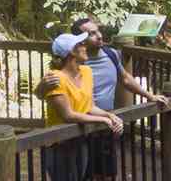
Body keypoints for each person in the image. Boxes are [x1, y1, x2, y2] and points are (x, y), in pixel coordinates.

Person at [39, 17, 168, 181]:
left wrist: (149, 96)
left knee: (105, 172)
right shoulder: (61, 74)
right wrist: (40, 88)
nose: (99, 36)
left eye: (97, 31)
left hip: (100, 123)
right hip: (76, 130)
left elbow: (125, 79)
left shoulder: (105, 58)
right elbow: (58, 103)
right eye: (91, 34)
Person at [42, 32, 124, 181]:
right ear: (71, 52)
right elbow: (68, 115)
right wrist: (103, 121)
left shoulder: (86, 72)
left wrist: (109, 115)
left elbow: (89, 106)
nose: (84, 46)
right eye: (80, 44)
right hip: (59, 144)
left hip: (80, 140)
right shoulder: (56, 78)